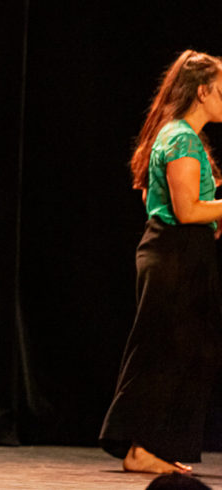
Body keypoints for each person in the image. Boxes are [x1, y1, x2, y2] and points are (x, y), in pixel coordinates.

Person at [99, 50, 222, 475]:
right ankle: (140, 448)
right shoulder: (181, 138)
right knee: (162, 352)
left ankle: (152, 446)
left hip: (183, 251)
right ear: (204, 91)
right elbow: (187, 210)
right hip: (173, 251)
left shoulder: (186, 137)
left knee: (183, 352)